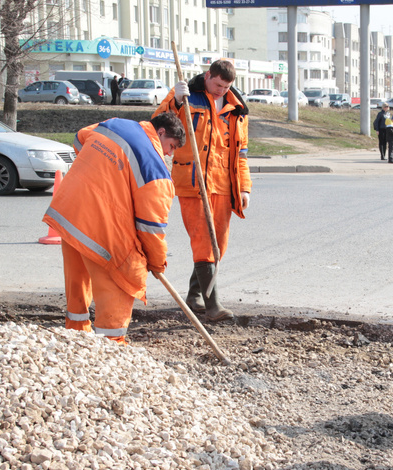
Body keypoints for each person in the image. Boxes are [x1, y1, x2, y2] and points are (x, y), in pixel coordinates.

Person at [42, 112, 186, 344]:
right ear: (160, 133)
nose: (170, 153)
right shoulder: (155, 169)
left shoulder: (115, 124)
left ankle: (76, 335)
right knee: (122, 278)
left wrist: (102, 170)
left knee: (77, 280)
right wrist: (157, 262)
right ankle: (111, 345)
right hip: (97, 227)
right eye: (172, 146)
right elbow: (151, 228)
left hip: (68, 213)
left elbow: (80, 139)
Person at [153, 59, 251, 322]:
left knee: (219, 245)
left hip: (224, 184)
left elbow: (241, 154)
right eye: (217, 84)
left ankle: (195, 295)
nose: (220, 90)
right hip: (193, 183)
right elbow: (159, 124)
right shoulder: (187, 97)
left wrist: (244, 188)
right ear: (208, 75)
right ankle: (213, 306)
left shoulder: (237, 109)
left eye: (226, 86)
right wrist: (174, 99)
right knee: (203, 242)